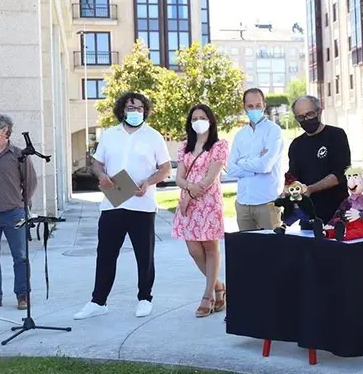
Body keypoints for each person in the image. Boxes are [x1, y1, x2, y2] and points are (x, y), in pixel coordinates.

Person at [74, 92, 171, 320]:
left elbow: (165, 168)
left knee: (144, 255)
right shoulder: (109, 134)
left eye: (139, 108)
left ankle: (145, 298)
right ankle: (98, 301)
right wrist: (102, 176)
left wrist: (148, 182)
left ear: (144, 111)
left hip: (142, 204)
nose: (134, 111)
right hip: (112, 203)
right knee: (106, 254)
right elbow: (97, 164)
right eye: (130, 107)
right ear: (122, 110)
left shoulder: (153, 136)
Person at [172, 104, 229, 318]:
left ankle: (208, 296)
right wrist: (187, 193)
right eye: (194, 118)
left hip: (208, 203)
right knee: (194, 251)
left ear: (210, 120)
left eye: (202, 117)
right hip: (188, 204)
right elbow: (179, 178)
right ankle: (219, 286)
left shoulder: (219, 145)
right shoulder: (185, 146)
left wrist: (191, 195)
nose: (198, 121)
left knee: (210, 248)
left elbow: (210, 178)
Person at [0, 114, 37, 311]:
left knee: (20, 256)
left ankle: (23, 295)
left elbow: (31, 182)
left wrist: (21, 205)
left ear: (3, 130)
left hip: (14, 214)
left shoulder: (19, 155)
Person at [287, 95, 352, 223]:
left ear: (319, 111)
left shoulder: (336, 135)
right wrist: (288, 191)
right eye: (301, 117)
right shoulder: (296, 145)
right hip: (308, 216)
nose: (306, 119)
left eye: (310, 114)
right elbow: (293, 177)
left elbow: (340, 174)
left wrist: (311, 189)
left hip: (337, 214)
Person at [227, 88, 284, 231]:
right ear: (244, 107)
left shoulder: (274, 131)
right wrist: (255, 162)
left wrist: (242, 161)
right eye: (250, 106)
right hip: (243, 204)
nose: (254, 109)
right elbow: (231, 168)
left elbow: (265, 166)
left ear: (264, 105)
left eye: (258, 105)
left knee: (273, 251)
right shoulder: (240, 135)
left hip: (267, 202)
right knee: (248, 251)